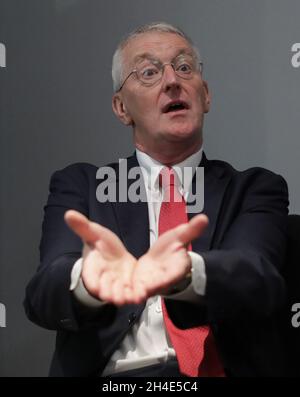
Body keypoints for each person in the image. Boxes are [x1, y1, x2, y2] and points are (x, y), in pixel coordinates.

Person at [24, 22, 289, 377]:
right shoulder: (82, 185)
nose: (172, 81)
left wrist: (184, 273)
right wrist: (89, 280)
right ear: (121, 108)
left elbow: (256, 275)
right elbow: (44, 293)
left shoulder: (254, 188)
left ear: (205, 95)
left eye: (183, 67)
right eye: (149, 72)